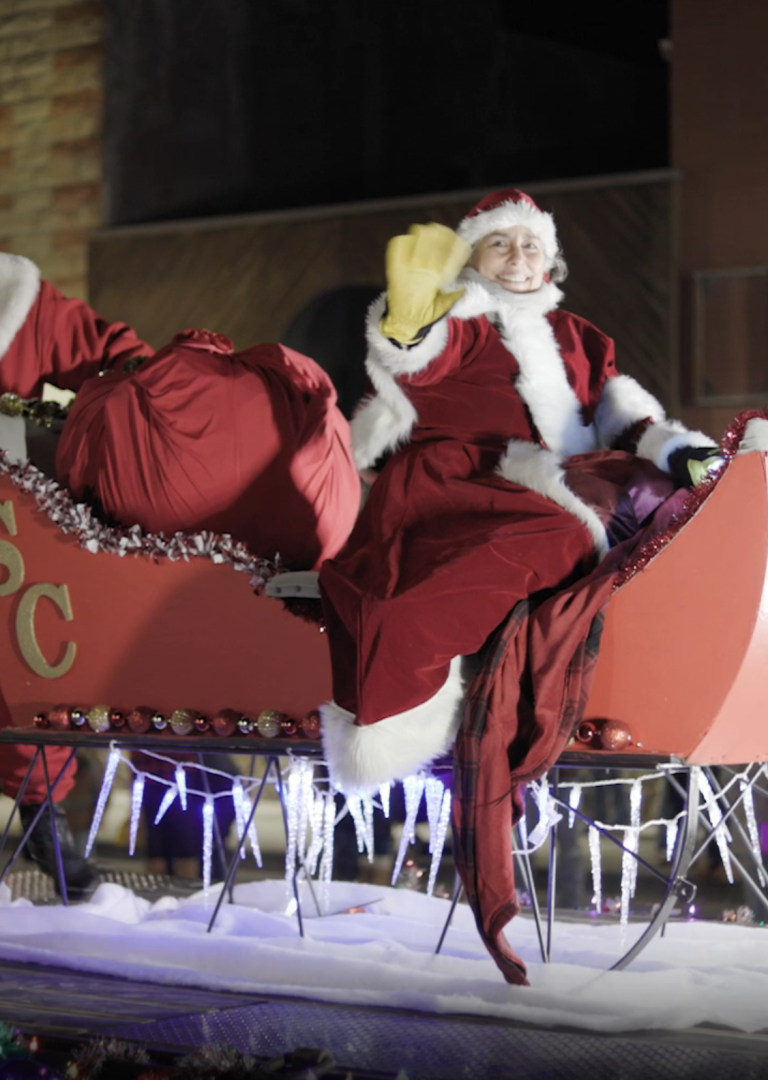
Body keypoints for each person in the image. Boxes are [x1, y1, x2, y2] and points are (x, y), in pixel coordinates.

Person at [317, 189, 724, 983]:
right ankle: (418, 692)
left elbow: (620, 412)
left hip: (567, 480)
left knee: (617, 518)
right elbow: (415, 364)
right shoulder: (460, 320)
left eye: (528, 246)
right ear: (470, 260)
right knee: (552, 536)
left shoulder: (578, 335)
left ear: (552, 259)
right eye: (496, 245)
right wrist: (407, 321)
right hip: (465, 483)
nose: (516, 258)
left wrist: (681, 451)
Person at [0, 251, 361, 895]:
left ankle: (61, 818)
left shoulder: (14, 304)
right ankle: (50, 818)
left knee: (89, 669)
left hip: (36, 552)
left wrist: (163, 409)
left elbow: (119, 357)